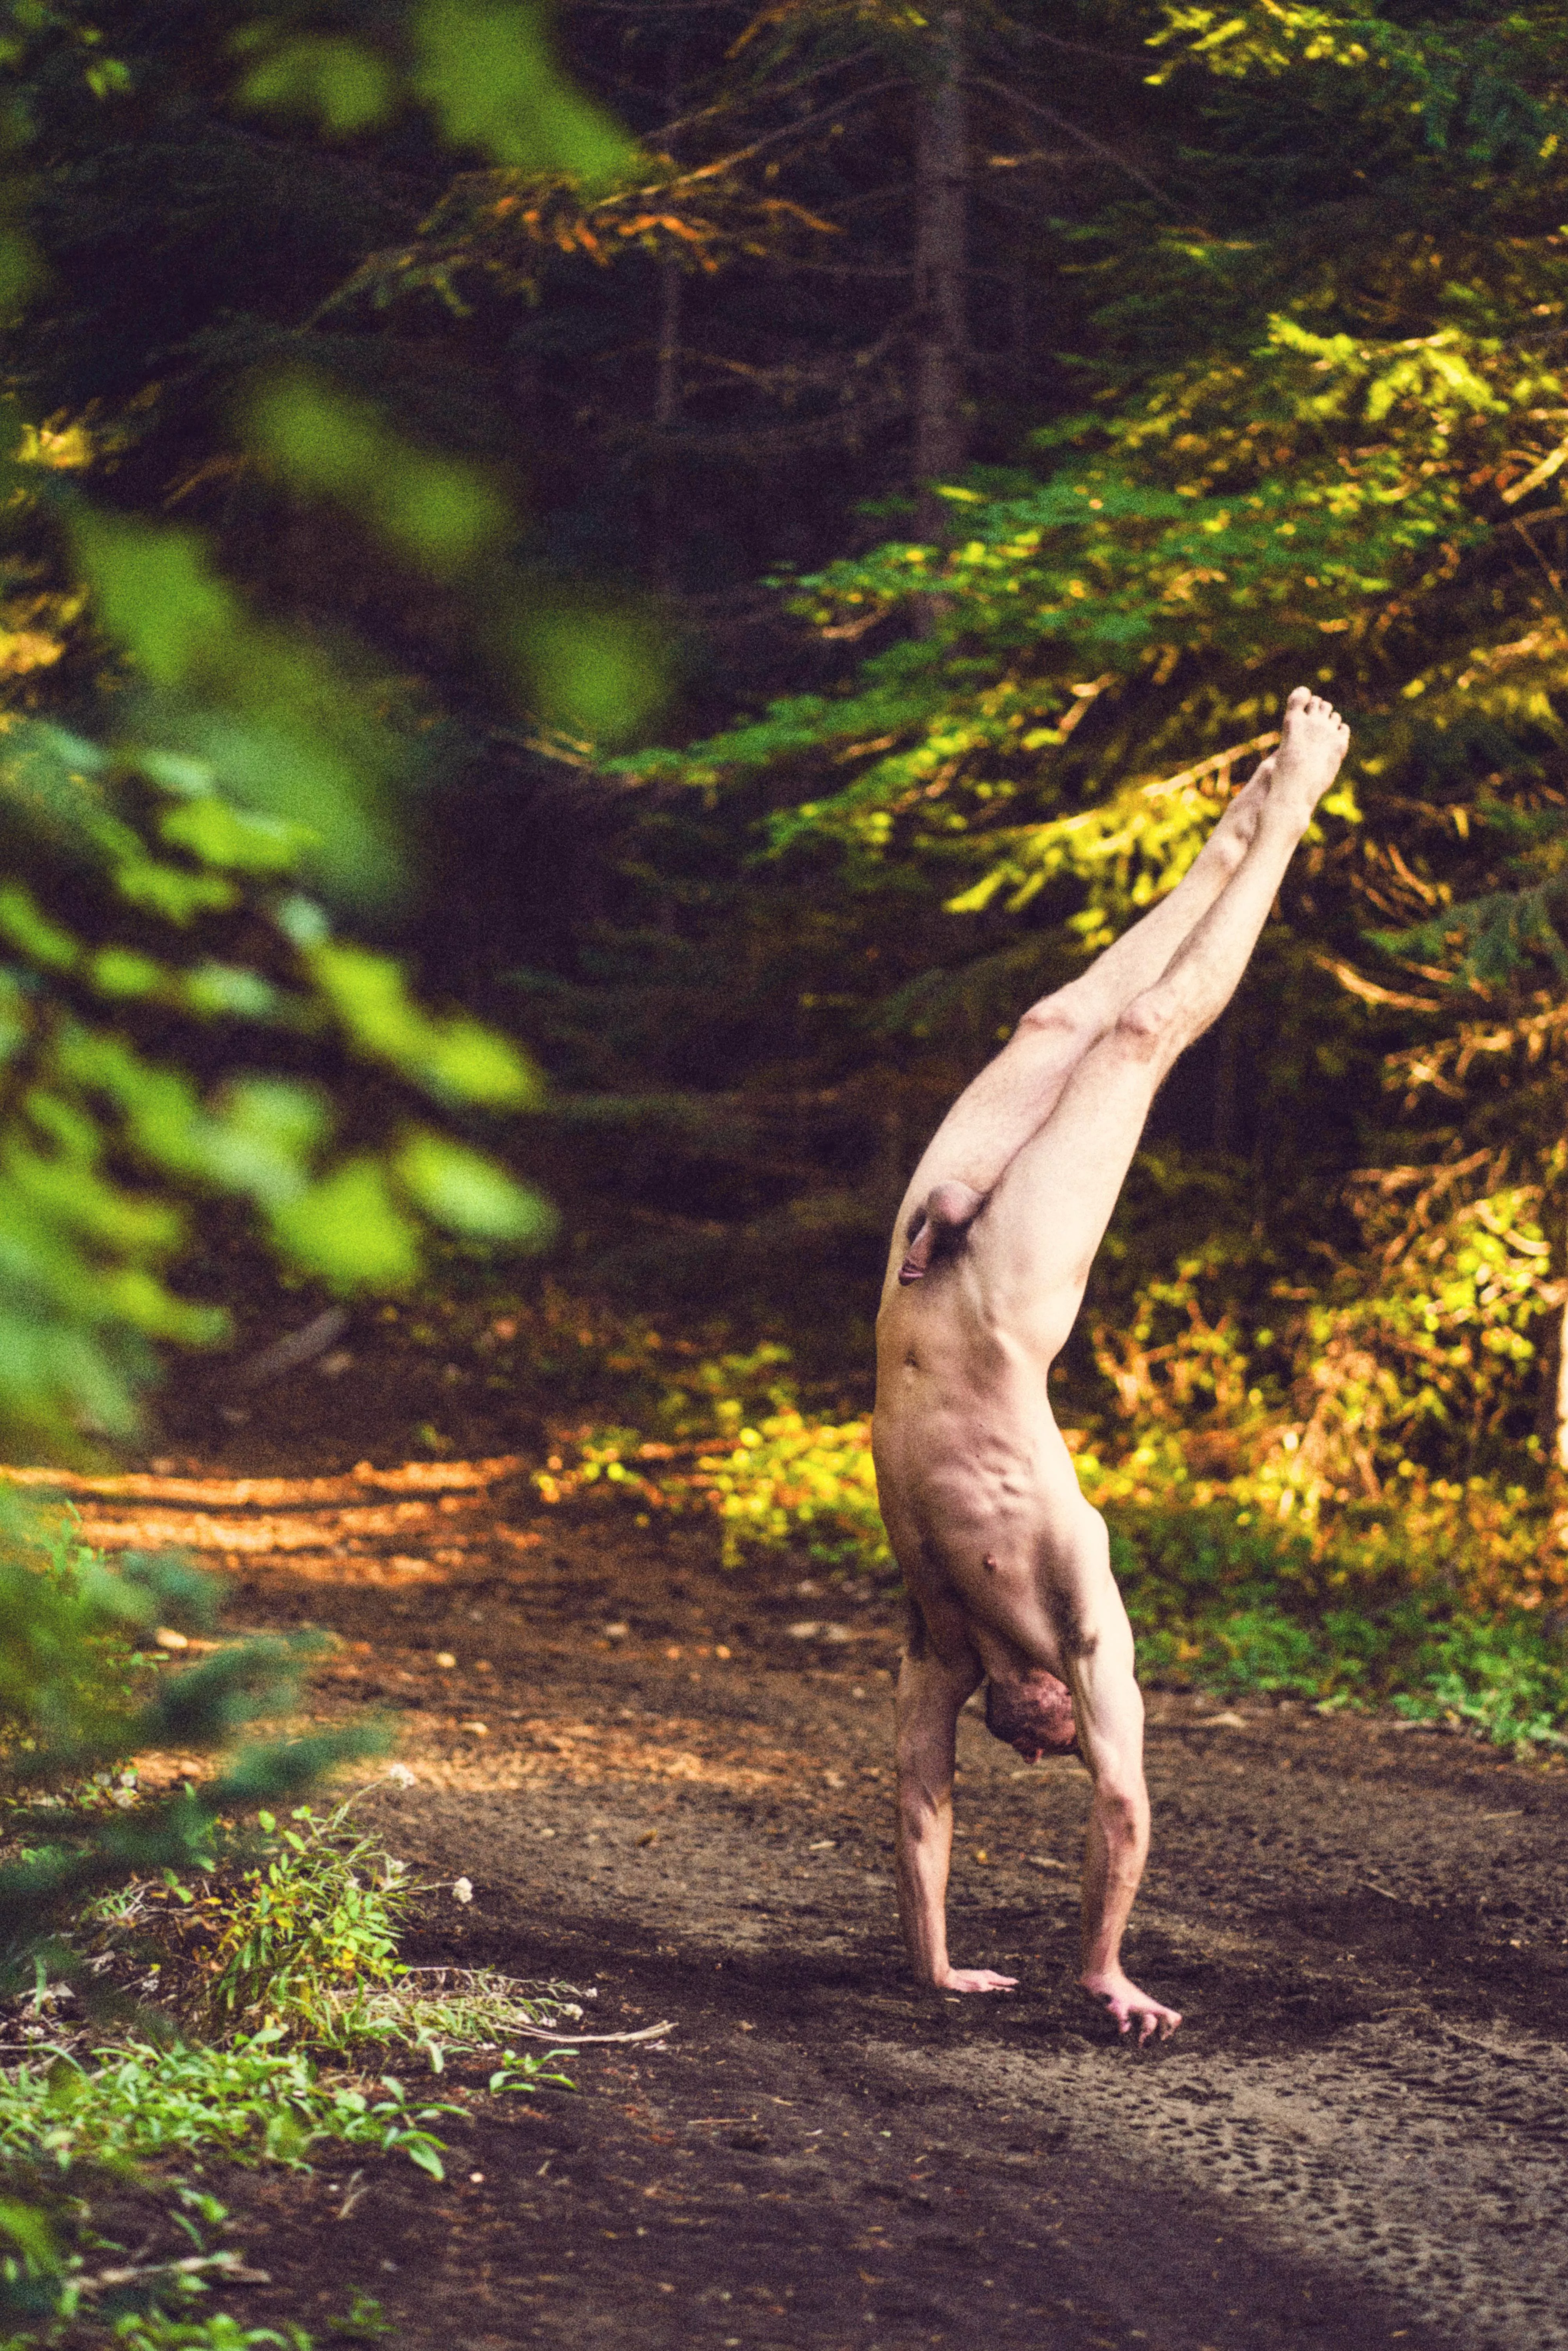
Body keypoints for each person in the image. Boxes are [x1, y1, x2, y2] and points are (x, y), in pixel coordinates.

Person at [872, 688, 1350, 2044]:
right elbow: (1130, 1801)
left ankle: (1253, 824)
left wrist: (936, 1961)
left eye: (1029, 1743)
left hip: (914, 1268)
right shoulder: (1086, 1612)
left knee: (1052, 1024)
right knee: (1132, 1040)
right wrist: (1104, 1959)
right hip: (1006, 1297)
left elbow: (918, 1794)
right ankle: (1279, 810)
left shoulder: (943, 1644)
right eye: (1061, 1743)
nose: (1046, 1745)